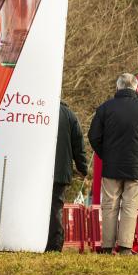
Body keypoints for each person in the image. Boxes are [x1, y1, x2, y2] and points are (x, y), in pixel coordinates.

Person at [89, 72, 138, 255]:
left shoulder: (104, 108)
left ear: (118, 87)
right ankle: (124, 247)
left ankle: (107, 246)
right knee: (130, 205)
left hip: (111, 166)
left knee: (109, 205)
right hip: (137, 168)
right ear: (136, 88)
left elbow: (94, 136)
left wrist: (106, 154)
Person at [45, 100, 88, 252]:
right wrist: (83, 167)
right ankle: (54, 244)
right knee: (55, 207)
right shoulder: (69, 114)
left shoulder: (37, 107)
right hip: (60, 170)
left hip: (38, 170)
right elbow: (78, 144)